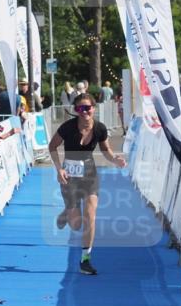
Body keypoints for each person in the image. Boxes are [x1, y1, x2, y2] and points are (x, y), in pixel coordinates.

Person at [47, 93, 127, 275]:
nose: (84, 112)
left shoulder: (100, 129)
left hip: (89, 173)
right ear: (76, 110)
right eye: (80, 109)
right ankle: (67, 212)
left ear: (93, 108)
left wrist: (115, 159)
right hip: (69, 175)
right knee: (76, 224)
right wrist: (59, 168)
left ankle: (85, 260)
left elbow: (106, 150)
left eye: (87, 108)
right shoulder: (68, 127)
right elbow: (52, 146)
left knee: (90, 214)